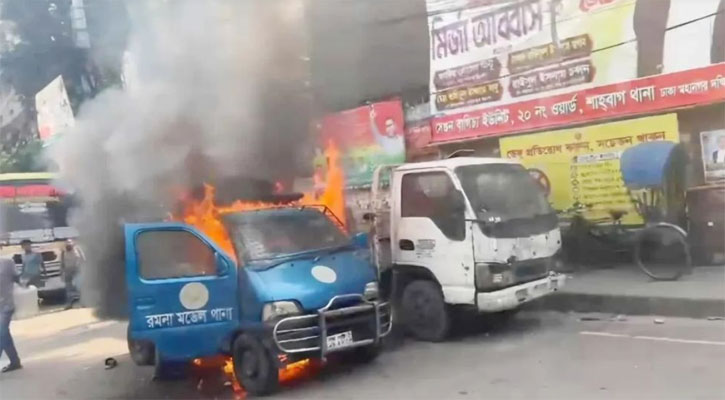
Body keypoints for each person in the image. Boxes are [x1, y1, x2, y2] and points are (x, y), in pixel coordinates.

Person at [0, 248, 22, 372]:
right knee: (4, 334)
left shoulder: (7, 262)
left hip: (6, 305)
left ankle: (15, 361)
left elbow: (17, 278)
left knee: (1, 334)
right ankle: (15, 361)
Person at [61, 240, 84, 310]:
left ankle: (83, 303)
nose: (69, 246)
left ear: (73, 244)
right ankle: (69, 304)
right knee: (68, 289)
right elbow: (62, 263)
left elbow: (83, 259)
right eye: (67, 245)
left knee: (79, 287)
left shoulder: (78, 249)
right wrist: (61, 273)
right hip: (68, 272)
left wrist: (79, 266)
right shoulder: (63, 252)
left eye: (70, 244)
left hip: (77, 271)